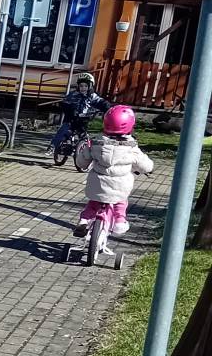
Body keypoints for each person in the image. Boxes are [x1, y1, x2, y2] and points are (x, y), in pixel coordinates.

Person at [74, 104, 154, 239]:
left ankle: (84, 220)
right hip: (120, 187)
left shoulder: (95, 144)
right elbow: (146, 166)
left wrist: (83, 160)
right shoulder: (131, 148)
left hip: (97, 185)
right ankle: (119, 222)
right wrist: (149, 169)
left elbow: (81, 162)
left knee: (93, 203)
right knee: (121, 202)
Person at [52, 71, 109, 162]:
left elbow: (101, 102)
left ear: (90, 86)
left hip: (84, 119)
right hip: (71, 118)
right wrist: (67, 107)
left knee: (83, 134)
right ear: (78, 86)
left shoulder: (92, 96)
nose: (83, 88)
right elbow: (65, 102)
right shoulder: (73, 95)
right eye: (81, 86)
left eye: (86, 86)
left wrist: (108, 107)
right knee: (64, 131)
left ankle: (82, 147)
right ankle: (53, 146)